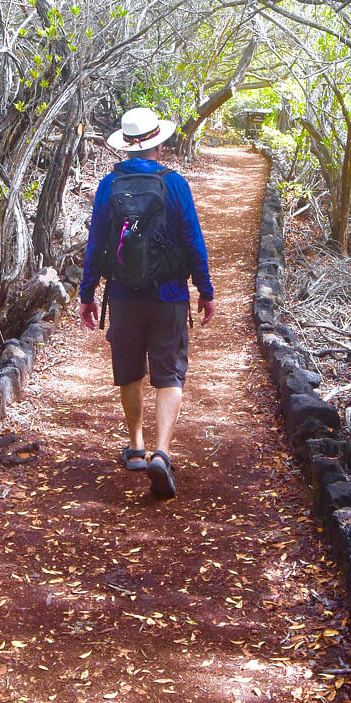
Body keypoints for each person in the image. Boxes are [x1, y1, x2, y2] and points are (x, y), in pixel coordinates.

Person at [79, 106, 215, 499]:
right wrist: (204, 290)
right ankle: (162, 451)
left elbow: (96, 243)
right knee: (169, 373)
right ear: (159, 143)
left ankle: (136, 447)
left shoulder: (109, 186)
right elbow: (193, 239)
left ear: (125, 146)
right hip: (169, 294)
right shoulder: (175, 184)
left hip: (123, 295)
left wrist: (87, 293)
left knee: (129, 370)